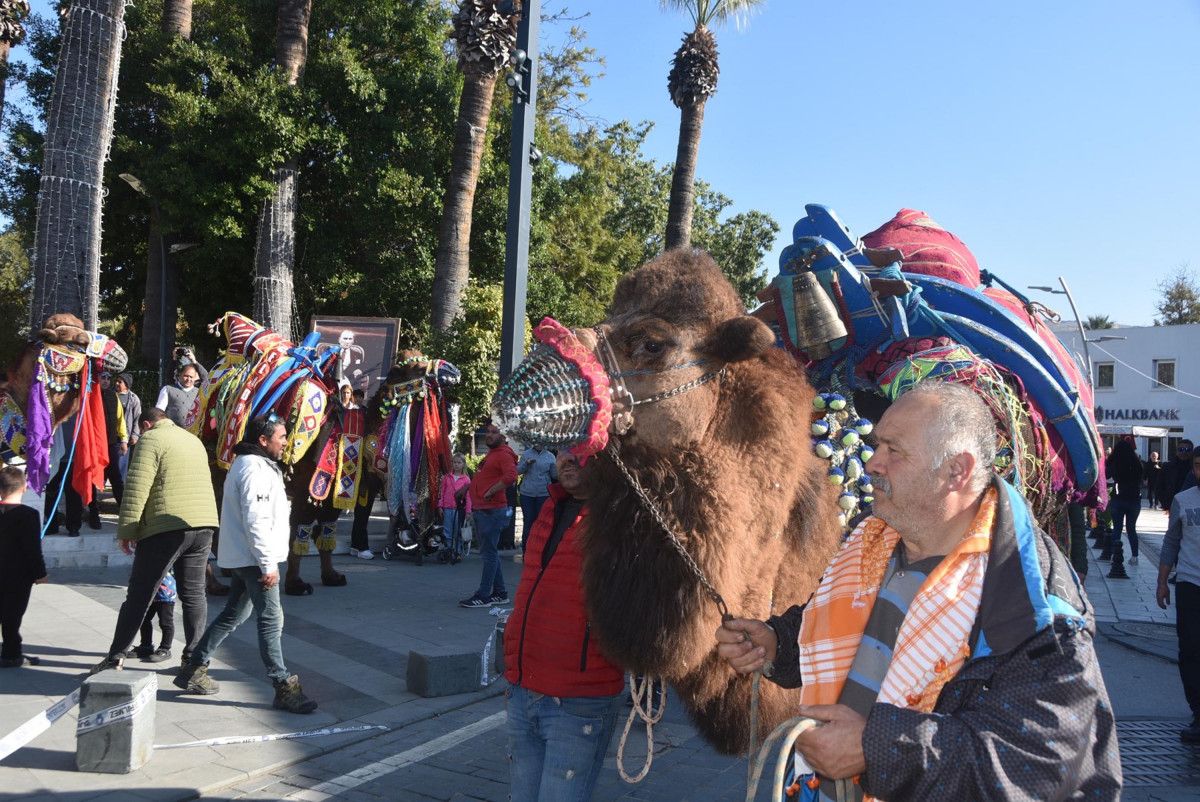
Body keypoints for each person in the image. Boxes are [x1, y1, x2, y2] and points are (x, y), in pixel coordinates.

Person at [716, 382, 1120, 799]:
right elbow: (845, 632)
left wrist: (877, 750)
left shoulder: (1033, 606)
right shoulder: (870, 544)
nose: (872, 463)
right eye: (876, 446)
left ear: (956, 472)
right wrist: (778, 644)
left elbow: (1042, 766)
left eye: (894, 451)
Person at [503, 450, 625, 800]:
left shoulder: (620, 518)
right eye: (561, 449)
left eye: (580, 447)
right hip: (523, 690)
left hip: (578, 701)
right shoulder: (548, 507)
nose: (568, 458)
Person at [175, 417, 318, 714]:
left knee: (233, 614)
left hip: (246, 556)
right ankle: (283, 686)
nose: (285, 441)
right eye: (281, 436)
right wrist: (267, 564)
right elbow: (256, 519)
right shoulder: (253, 468)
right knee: (270, 618)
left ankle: (193, 668)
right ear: (263, 440)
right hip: (255, 559)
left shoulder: (253, 465)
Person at [90, 408, 218, 674]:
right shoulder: (192, 439)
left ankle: (116, 657)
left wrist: (127, 531)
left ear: (146, 424)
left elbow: (136, 487)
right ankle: (194, 664)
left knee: (140, 594)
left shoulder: (150, 440)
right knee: (194, 595)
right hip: (204, 523)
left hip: (164, 528)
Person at [1157, 448, 1200, 743]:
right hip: (1190, 583)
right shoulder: (1183, 501)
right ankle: (1198, 712)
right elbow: (1171, 543)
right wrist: (1162, 583)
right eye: (1198, 466)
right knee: (1191, 650)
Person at [459, 422, 517, 608]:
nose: (489, 435)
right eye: (488, 432)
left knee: (489, 554)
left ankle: (484, 595)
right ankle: (500, 593)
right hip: (484, 509)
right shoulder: (493, 454)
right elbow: (485, 477)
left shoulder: (504, 454)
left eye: (494, 432)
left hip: (491, 510)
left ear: (503, 436)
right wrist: (468, 487)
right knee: (490, 552)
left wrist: (492, 491)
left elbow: (510, 477)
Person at [1, 467, 48, 668]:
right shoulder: (28, 515)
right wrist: (40, 573)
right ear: (24, 488)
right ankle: (11, 654)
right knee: (12, 614)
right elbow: (32, 548)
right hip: (18, 576)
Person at [1105, 437, 1143, 566]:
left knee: (1117, 528)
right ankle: (1134, 556)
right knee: (1131, 528)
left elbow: (1106, 475)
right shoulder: (1136, 463)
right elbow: (1142, 479)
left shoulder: (1115, 463)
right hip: (1134, 499)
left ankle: (1113, 555)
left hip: (1118, 498)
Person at [517, 445, 557, 556]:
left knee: (542, 523)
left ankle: (540, 551)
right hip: (527, 494)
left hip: (543, 493)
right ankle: (526, 552)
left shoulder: (550, 456)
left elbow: (555, 475)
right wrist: (526, 464)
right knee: (528, 522)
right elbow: (517, 471)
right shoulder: (526, 454)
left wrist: (557, 467)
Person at [129, 570, 176, 663]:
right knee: (144, 619)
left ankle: (165, 649)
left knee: (165, 622)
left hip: (165, 592)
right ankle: (146, 646)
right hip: (149, 592)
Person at [97, 372, 128, 510]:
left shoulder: (113, 396)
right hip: (95, 444)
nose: (106, 381)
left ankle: (123, 509)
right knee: (96, 476)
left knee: (115, 476)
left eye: (109, 378)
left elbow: (120, 420)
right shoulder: (91, 395)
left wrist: (123, 440)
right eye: (103, 377)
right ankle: (91, 510)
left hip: (111, 443)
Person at [155, 351, 209, 428]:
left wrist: (194, 361)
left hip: (192, 432)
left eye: (191, 377)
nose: (188, 379)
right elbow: (159, 411)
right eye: (186, 376)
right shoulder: (168, 389)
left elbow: (207, 379)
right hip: (172, 431)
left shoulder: (199, 392)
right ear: (179, 375)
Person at [439, 454, 472, 562]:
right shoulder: (447, 477)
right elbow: (442, 492)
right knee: (447, 530)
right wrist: (440, 505)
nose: (456, 465)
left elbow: (468, 497)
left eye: (459, 463)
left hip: (459, 509)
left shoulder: (466, 479)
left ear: (463, 464)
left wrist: (468, 511)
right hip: (448, 508)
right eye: (454, 462)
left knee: (458, 531)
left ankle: (458, 551)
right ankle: (448, 550)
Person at [114, 372, 142, 479]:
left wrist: (135, 435)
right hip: (111, 434)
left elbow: (137, 418)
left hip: (125, 436)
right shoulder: (112, 395)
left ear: (126, 385)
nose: (116, 383)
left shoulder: (134, 399)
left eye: (120, 382)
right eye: (116, 381)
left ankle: (120, 483)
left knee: (122, 462)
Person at [1160, 439, 1195, 512]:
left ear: (1192, 451)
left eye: (1187, 450)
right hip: (1173, 505)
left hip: (1192, 506)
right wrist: (1165, 504)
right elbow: (1160, 487)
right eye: (1181, 449)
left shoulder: (1195, 468)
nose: (1184, 452)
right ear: (1177, 451)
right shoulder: (1167, 467)